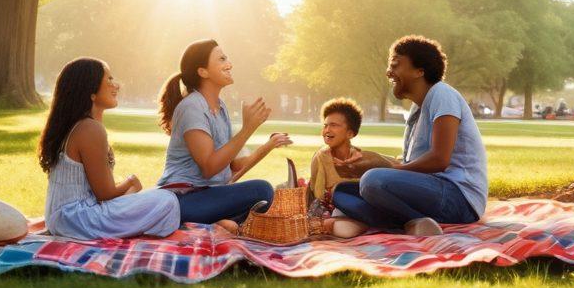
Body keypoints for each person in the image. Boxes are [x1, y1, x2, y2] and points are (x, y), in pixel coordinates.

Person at [330, 35, 488, 237]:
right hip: (431, 191)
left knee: (372, 182)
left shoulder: (442, 94)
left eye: (395, 65)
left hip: (459, 199)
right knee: (342, 191)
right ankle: (409, 221)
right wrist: (367, 161)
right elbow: (409, 164)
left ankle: (411, 220)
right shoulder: (417, 109)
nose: (389, 72)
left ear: (419, 71)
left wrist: (387, 168)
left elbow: (439, 160)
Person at [39, 57, 183, 239]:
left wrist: (130, 192)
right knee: (167, 200)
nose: (116, 85)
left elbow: (99, 192)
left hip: (66, 219)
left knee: (159, 195)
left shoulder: (81, 125)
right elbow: (105, 194)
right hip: (76, 219)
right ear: (91, 91)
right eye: (109, 79)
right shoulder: (89, 128)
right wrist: (131, 182)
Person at [157, 38, 291, 226]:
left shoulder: (221, 108)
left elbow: (233, 165)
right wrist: (247, 129)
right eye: (221, 59)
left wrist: (268, 145)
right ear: (203, 71)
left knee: (265, 194)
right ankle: (214, 223)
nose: (229, 64)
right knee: (262, 191)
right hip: (182, 200)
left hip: (209, 196)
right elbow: (209, 167)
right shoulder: (192, 107)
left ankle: (219, 223)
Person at [307, 98, 393, 218]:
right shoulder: (321, 157)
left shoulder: (362, 158)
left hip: (360, 205)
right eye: (325, 125)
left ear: (350, 133)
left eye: (333, 125)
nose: (327, 130)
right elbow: (317, 195)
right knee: (341, 207)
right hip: (338, 208)